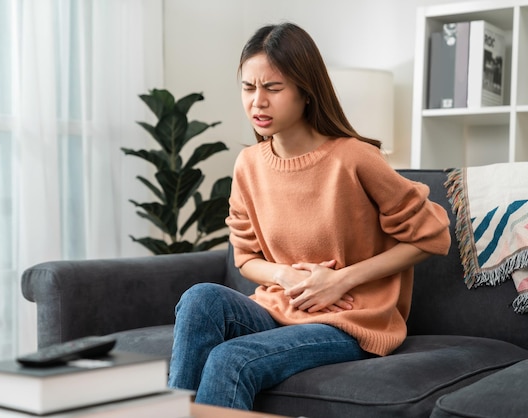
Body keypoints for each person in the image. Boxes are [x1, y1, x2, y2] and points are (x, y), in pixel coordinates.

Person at [168, 22, 451, 411]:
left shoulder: (353, 157)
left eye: (273, 88)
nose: (258, 102)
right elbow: (245, 258)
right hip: (278, 308)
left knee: (231, 359)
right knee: (200, 298)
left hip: (352, 322)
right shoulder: (248, 165)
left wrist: (340, 281)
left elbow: (433, 236)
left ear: (305, 92)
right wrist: (284, 275)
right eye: (249, 88)